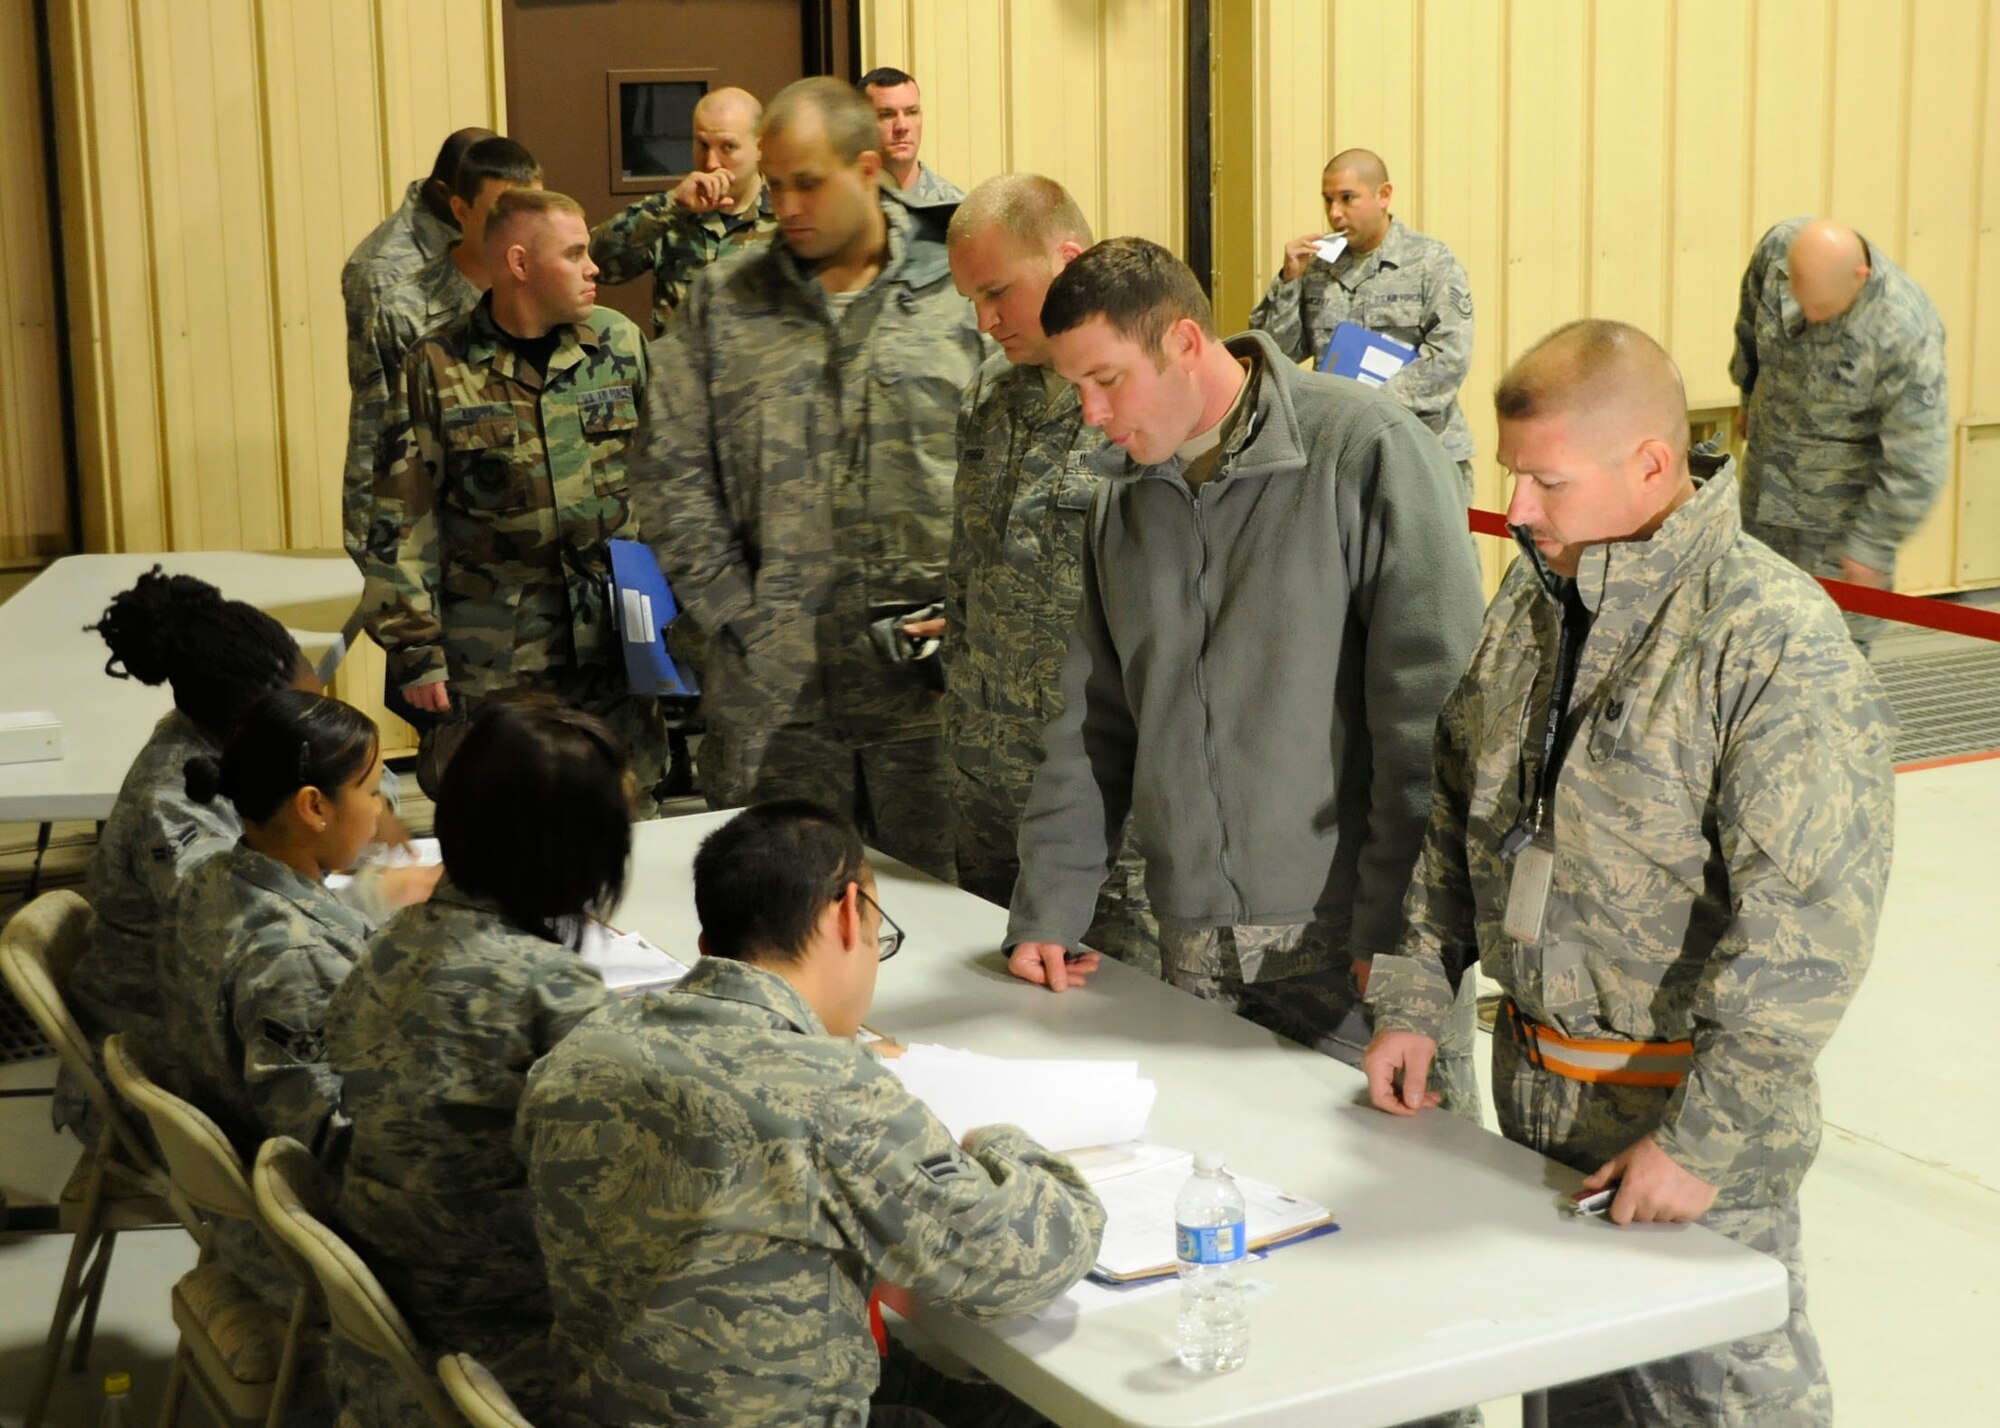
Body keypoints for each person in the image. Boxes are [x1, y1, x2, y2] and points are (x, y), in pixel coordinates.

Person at [1364, 319, 1895, 1425]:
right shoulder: (1534, 602)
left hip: (1689, 1145)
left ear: (1649, 466)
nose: (1515, 510)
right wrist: (1415, 996)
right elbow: (1454, 815)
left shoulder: (1769, 644)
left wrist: (1698, 1144)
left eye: (1544, 481)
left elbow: (1804, 939)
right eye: (1514, 477)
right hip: (1538, 1118)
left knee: (1722, 1404)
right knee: (1576, 1406)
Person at [1003, 238, 1486, 1123]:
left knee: (1397, 1225)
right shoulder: (1123, 497)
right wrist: (1049, 904)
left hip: (1354, 955)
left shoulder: (1363, 451)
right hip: (1193, 947)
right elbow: (1092, 722)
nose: (1091, 413)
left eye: (1107, 380)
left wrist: (1403, 941)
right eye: (1076, 387)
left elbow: (1434, 727)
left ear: (1186, 343)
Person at [519, 799, 1105, 1428]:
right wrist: (1001, 1141)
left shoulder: (580, 1049)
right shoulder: (827, 1092)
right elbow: (1029, 1262)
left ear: (708, 942)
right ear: (850, 914)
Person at [640, 77, 986, 877]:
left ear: (866, 171)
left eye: (809, 182)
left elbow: (1007, 466)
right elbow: (669, 474)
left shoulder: (956, 288)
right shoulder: (727, 299)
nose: (787, 203)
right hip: (775, 702)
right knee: (779, 924)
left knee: (949, 926)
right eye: (778, 180)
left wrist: (973, 621)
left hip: (926, 699)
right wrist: (735, 616)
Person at [325, 697, 625, 1425]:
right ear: (575, 850)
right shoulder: (549, 991)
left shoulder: (392, 940)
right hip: (508, 1338)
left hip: (394, 1317)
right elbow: (635, 1185)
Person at [362, 187, 667, 804]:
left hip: (613, 643)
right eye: (575, 253)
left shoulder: (619, 344)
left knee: (625, 810)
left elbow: (670, 479)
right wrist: (415, 647)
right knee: (501, 818)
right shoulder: (438, 366)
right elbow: (402, 516)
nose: (595, 268)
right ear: (520, 264)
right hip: (498, 651)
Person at [942, 175, 1155, 971]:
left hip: (1101, 802)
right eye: (971, 298)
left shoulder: (1140, 408)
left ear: (1068, 261)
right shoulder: (989, 398)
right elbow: (968, 571)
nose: (985, 320)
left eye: (998, 291)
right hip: (987, 782)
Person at [74, 569, 315, 1060]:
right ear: (250, 723)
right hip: (162, 1053)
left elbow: (337, 759)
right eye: (302, 711)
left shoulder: (229, 737)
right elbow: (240, 934)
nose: (316, 721)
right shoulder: (176, 802)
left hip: (211, 1016)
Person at [172, 690, 417, 1164]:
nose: (379, 809)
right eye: (370, 793)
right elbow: (331, 1142)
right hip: (319, 1195)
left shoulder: (212, 873)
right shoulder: (293, 959)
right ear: (314, 808)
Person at [1730, 215, 1950, 652]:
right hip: (1766, 487)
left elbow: (1917, 458)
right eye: (1801, 301)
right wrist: (1748, 393)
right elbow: (1749, 327)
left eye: (1824, 311)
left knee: (1833, 653)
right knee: (1750, 631)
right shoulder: (1778, 251)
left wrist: (1871, 545)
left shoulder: (1902, 329)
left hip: (1836, 519)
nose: (1810, 319)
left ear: (1859, 278)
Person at [343, 137, 543, 570]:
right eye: (503, 212)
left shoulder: (550, 294)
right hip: (459, 568)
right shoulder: (405, 306)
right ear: (460, 210)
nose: (521, 228)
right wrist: (380, 573)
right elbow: (376, 445)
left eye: (533, 211)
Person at [1247, 148, 1477, 501]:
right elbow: (1277, 354)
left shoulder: (1432, 263)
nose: (1335, 214)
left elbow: (1449, 358)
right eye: (1328, 201)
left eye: (1347, 198)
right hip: (1340, 456)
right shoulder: (1318, 267)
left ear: (1383, 195)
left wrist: (1370, 409)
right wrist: (1290, 280)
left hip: (1421, 449)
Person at [590, 86, 778, 337]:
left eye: (728, 147)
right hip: (680, 373)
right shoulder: (671, 214)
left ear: (760, 147)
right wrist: (672, 205)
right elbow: (595, 263)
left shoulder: (785, 218)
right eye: (702, 144)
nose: (711, 162)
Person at [340, 126, 494, 347]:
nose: (502, 217)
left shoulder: (494, 233)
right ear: (446, 194)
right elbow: (382, 379)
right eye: (491, 206)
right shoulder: (383, 270)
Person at [859, 66, 964, 205]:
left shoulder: (953, 207)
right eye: (886, 115)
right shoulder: (848, 206)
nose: (902, 126)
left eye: (911, 112)